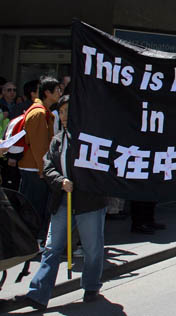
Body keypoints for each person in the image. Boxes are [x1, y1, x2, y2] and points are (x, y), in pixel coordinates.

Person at [20, 95, 106, 310]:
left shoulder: (92, 139)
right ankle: (38, 294)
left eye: (69, 111)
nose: (65, 116)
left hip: (89, 203)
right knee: (52, 247)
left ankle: (91, 286)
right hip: (62, 202)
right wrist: (61, 181)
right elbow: (47, 166)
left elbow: (102, 169)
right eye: (62, 111)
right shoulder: (57, 140)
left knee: (92, 249)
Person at [18, 76, 61, 239]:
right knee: (34, 208)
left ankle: (33, 239)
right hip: (34, 168)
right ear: (47, 93)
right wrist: (44, 170)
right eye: (57, 90)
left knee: (36, 207)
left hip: (36, 167)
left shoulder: (42, 111)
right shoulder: (39, 113)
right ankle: (31, 240)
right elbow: (39, 145)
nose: (60, 93)